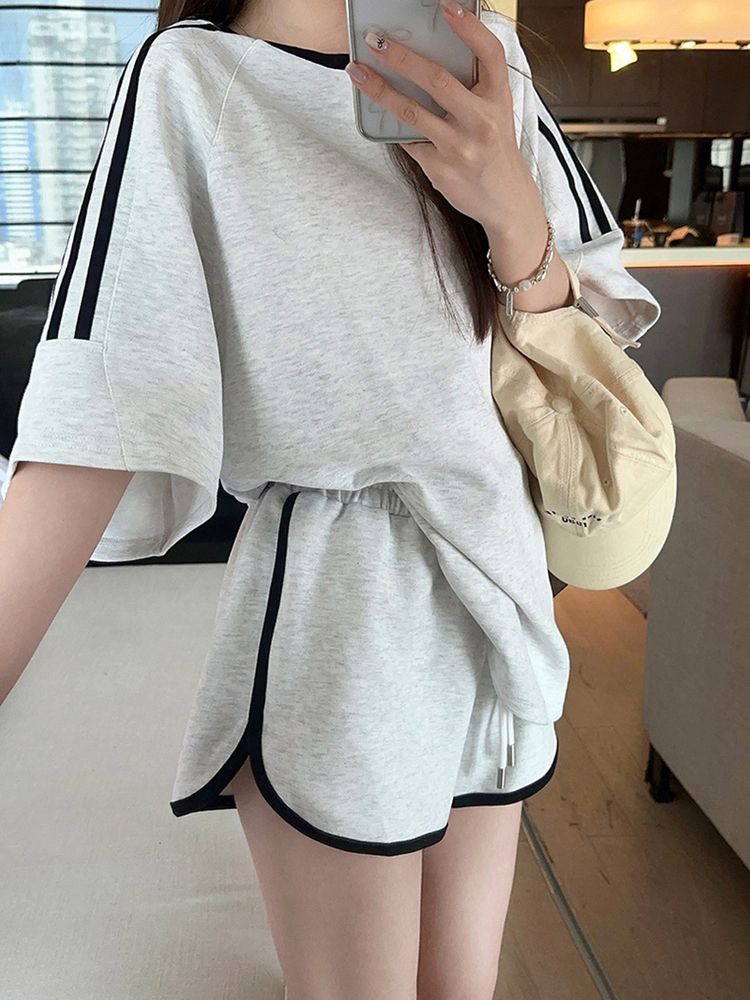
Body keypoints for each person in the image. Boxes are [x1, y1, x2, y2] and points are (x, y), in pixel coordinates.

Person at [0, 1, 659, 997]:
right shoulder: (190, 78)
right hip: (345, 613)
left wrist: (513, 215)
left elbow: (599, 333)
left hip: (500, 592)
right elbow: (104, 401)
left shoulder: (488, 58)